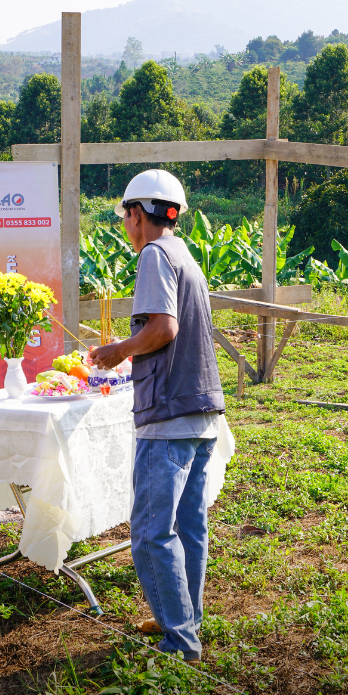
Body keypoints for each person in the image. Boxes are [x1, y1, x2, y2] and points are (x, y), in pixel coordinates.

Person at [90, 169, 225, 665]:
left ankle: (180, 641)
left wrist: (118, 350)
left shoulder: (152, 254)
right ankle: (184, 620)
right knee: (189, 526)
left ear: (138, 213)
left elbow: (163, 328)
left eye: (126, 215)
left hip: (168, 414)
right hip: (201, 409)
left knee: (151, 532)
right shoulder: (184, 254)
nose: (126, 225)